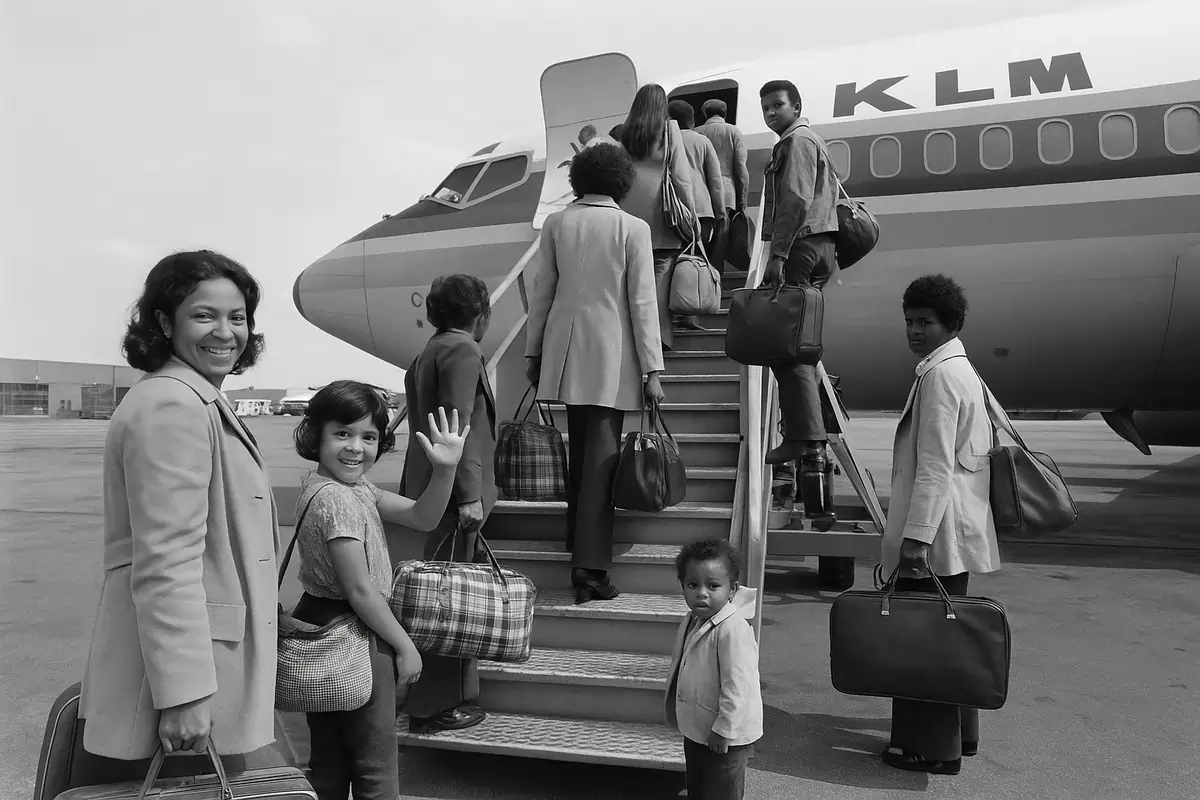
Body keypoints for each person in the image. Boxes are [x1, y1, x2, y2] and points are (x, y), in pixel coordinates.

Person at [78, 250, 289, 779]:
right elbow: (166, 561)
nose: (225, 332)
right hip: (192, 681)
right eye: (204, 315)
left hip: (207, 664)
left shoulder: (194, 399)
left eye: (237, 317)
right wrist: (185, 693)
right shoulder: (173, 406)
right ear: (163, 322)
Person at [292, 382, 469, 799]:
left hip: (319, 624)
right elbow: (360, 589)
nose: (356, 448)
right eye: (342, 434)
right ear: (315, 433)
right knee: (375, 764)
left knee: (330, 760)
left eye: (368, 437)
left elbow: (421, 516)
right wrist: (405, 645)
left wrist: (445, 469)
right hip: (354, 631)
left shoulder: (344, 488)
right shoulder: (338, 499)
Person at [525, 142, 666, 603]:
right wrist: (652, 369)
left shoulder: (557, 223)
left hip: (565, 352)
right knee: (600, 466)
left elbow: (542, 292)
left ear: (578, 180)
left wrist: (534, 354)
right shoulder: (633, 228)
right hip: (612, 357)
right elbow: (642, 302)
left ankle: (577, 546)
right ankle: (590, 570)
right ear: (622, 182)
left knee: (583, 457)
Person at [881, 274, 1001, 775]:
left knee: (923, 643)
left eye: (924, 322)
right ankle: (962, 736)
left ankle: (929, 749)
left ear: (949, 324)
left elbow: (934, 466)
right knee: (950, 637)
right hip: (956, 531)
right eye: (909, 321)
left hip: (936, 534)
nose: (914, 330)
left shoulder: (939, 376)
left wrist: (915, 539)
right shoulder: (960, 368)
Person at [399, 273, 497, 735]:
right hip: (453, 492)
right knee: (448, 601)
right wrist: (471, 495)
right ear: (480, 314)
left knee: (443, 594)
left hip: (430, 487)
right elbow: (456, 425)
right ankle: (433, 706)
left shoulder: (427, 352)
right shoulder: (462, 349)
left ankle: (446, 695)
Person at [757, 80, 841, 473]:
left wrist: (777, 254)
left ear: (797, 106)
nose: (771, 113)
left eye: (777, 105)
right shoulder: (811, 141)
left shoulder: (797, 142)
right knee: (798, 343)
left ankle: (803, 437)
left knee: (784, 344)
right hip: (819, 246)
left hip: (801, 247)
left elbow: (794, 199)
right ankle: (808, 435)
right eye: (766, 108)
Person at [665, 538, 763, 800]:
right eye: (692, 585)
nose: (701, 593)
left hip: (727, 737)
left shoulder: (733, 629)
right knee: (699, 786)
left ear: (732, 590)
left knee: (722, 790)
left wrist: (725, 729)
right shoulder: (692, 620)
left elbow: (738, 685)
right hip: (699, 728)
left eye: (713, 586)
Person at [618, 83, 700, 350]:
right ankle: (659, 340)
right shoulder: (668, 130)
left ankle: (631, 338)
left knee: (632, 277)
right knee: (660, 278)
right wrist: (691, 212)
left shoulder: (624, 133)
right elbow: (680, 176)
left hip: (629, 213)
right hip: (660, 212)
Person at [668, 99, 726, 273]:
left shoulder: (664, 141)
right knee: (700, 265)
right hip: (702, 211)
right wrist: (720, 212)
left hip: (673, 212)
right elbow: (715, 181)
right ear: (692, 120)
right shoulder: (702, 141)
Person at [694, 99, 750, 273]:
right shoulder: (734, 132)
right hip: (727, 193)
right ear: (725, 113)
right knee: (721, 244)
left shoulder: (696, 133)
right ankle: (715, 283)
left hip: (701, 194)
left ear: (705, 113)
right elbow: (741, 168)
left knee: (701, 245)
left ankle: (700, 281)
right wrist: (742, 200)